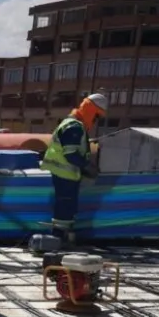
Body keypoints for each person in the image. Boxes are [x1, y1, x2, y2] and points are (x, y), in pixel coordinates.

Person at [39, 93, 107, 247]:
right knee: (65, 207)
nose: (96, 121)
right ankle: (58, 239)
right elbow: (71, 154)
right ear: (91, 111)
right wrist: (87, 166)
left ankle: (60, 238)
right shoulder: (74, 126)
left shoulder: (74, 125)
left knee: (67, 207)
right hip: (65, 174)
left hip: (67, 174)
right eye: (96, 116)